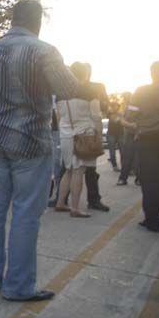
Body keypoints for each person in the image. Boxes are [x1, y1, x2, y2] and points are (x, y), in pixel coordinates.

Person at [0, 0, 79, 302]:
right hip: (30, 143)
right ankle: (18, 286)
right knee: (25, 215)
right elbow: (69, 89)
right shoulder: (43, 50)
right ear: (38, 22)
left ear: (13, 19)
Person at [127, 61, 159, 233]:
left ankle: (153, 221)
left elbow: (130, 115)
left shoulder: (140, 91)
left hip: (147, 139)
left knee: (150, 181)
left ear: (152, 73)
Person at [54, 62, 103, 218]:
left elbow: (58, 116)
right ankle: (75, 208)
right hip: (84, 133)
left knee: (68, 169)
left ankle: (60, 202)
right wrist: (99, 134)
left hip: (65, 133)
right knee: (79, 171)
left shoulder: (60, 92)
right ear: (85, 74)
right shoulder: (90, 91)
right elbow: (96, 115)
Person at [82, 64, 110, 212]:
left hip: (77, 132)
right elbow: (104, 108)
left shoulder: (69, 88)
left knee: (69, 168)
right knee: (89, 168)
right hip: (89, 131)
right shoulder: (96, 88)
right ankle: (93, 199)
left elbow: (105, 106)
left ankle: (62, 198)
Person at [106, 101, 123, 171]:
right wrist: (120, 117)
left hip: (120, 134)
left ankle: (124, 166)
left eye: (116, 105)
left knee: (123, 151)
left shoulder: (120, 113)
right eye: (113, 106)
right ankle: (114, 166)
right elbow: (115, 120)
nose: (115, 107)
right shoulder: (110, 113)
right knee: (112, 152)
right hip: (111, 134)